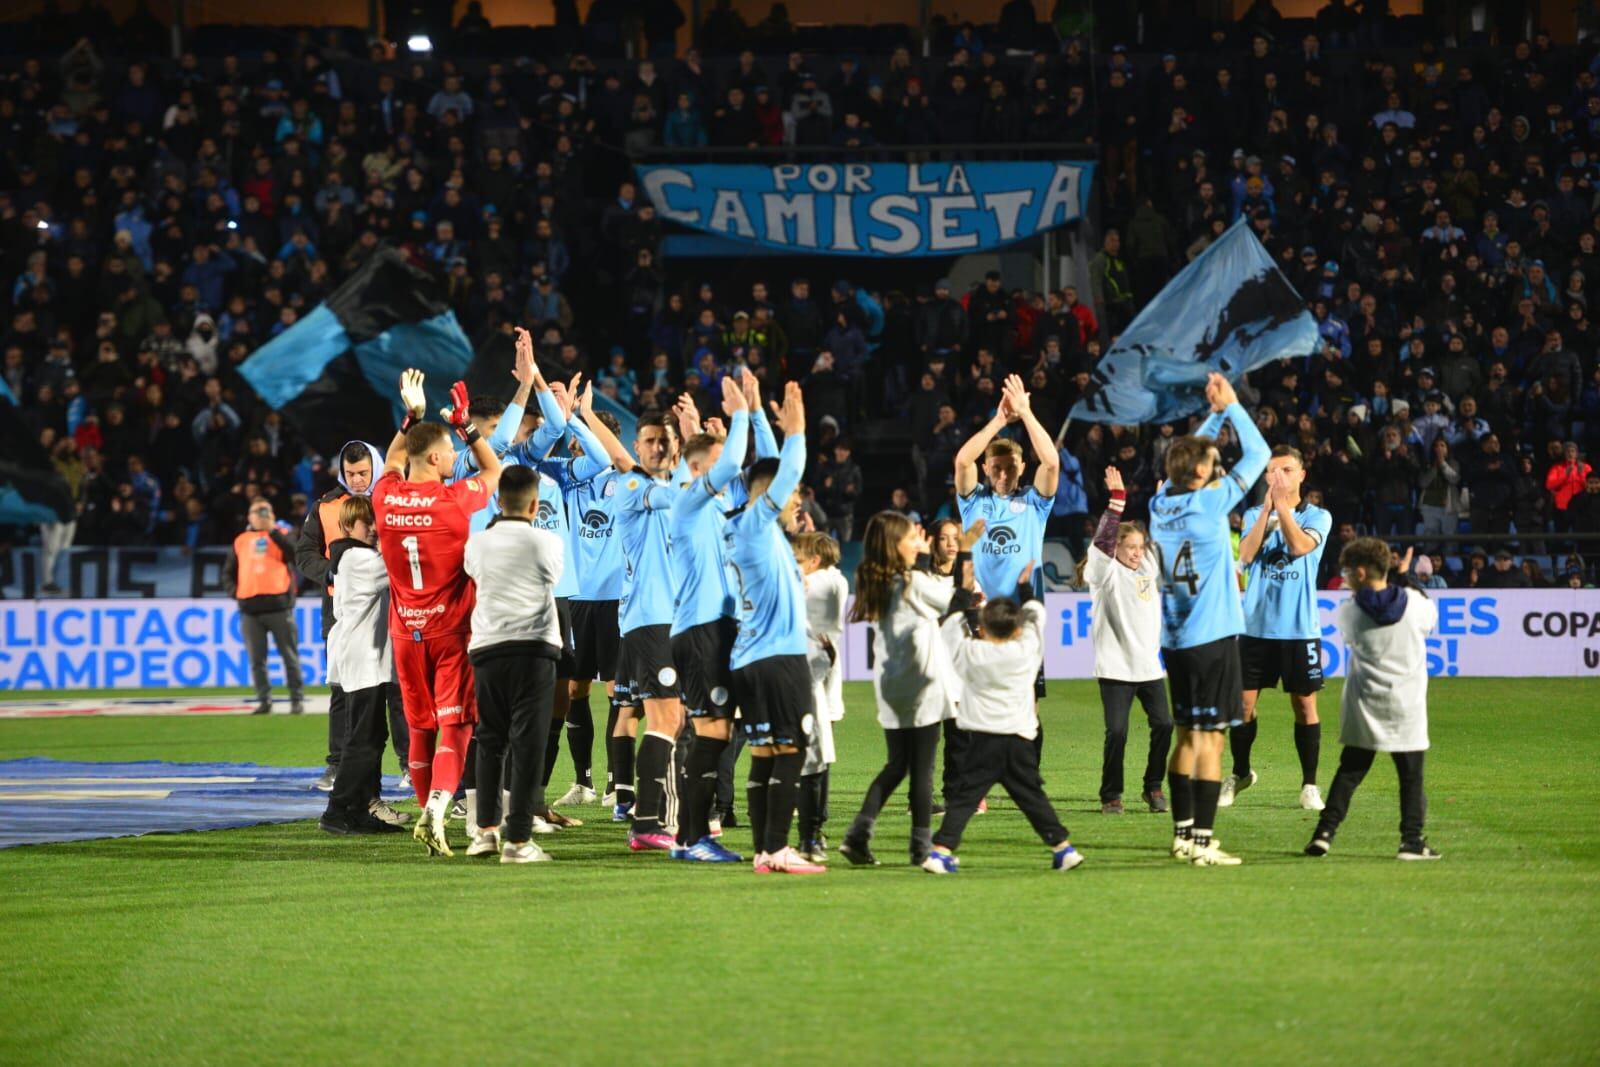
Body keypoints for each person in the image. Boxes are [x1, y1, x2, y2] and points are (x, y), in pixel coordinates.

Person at [373, 370, 502, 857]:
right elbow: (492, 474)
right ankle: (437, 810)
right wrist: (468, 428)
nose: (455, 457)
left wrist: (411, 417)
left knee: (421, 728)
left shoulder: (385, 498)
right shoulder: (453, 502)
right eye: (450, 451)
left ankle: (431, 817)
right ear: (434, 458)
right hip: (451, 629)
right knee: (457, 725)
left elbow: (390, 458)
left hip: (406, 633)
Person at [1148, 373, 1268, 866]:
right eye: (1211, 462)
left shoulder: (1159, 504)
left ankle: (1180, 835)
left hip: (1175, 640)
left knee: (1185, 736)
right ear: (1200, 472)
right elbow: (1257, 453)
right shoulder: (1210, 501)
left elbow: (1190, 455)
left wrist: (1213, 412)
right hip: (1213, 638)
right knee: (1211, 739)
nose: (1216, 465)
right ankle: (1202, 843)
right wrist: (1235, 406)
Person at [924, 567, 1084, 874]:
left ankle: (941, 851)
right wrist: (1024, 588)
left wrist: (963, 591)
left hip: (982, 741)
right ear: (1017, 629)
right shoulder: (1028, 649)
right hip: (1018, 741)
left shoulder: (971, 652)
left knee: (964, 799)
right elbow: (1038, 616)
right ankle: (1062, 849)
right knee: (1032, 797)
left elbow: (949, 625)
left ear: (982, 628)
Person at [723, 381, 821, 874]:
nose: (795, 499)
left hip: (748, 657)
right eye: (792, 493)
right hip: (778, 658)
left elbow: (764, 474)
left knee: (763, 752)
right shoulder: (760, 524)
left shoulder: (739, 524)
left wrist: (760, 417)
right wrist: (796, 428)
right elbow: (789, 469)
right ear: (770, 494)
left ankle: (764, 850)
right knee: (791, 749)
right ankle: (779, 848)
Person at [1306, 539, 1441, 861]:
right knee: (1411, 777)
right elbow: (1427, 618)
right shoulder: (1416, 604)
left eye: (1348, 572)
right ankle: (1411, 841)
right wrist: (1406, 578)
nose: (1345, 578)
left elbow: (1355, 630)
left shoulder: (1349, 612)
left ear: (1362, 573)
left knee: (1350, 771)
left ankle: (1324, 833)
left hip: (1365, 705)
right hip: (1406, 705)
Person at [839, 511, 958, 868]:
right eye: (912, 538)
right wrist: (925, 559)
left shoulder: (881, 579)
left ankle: (857, 835)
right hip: (920, 681)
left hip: (892, 684)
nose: (918, 543)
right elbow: (945, 597)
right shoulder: (910, 579)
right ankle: (921, 847)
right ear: (895, 545)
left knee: (897, 765)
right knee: (922, 768)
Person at [667, 374, 752, 863]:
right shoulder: (689, 499)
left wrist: (703, 429)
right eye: (714, 467)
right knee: (711, 734)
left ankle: (693, 835)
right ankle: (691, 837)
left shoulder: (714, 505)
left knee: (716, 733)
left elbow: (746, 483)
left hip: (713, 629)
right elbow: (733, 464)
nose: (726, 475)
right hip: (700, 630)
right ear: (697, 470)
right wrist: (741, 415)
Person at [462, 465, 565, 865]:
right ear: (535, 504)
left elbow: (473, 574)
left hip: (488, 650)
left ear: (498, 501)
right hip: (534, 651)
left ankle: (485, 832)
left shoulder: (477, 543)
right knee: (527, 746)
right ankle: (518, 840)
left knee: (489, 741)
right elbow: (553, 578)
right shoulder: (547, 542)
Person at [1225, 445, 1334, 812]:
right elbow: (1246, 555)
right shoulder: (1255, 512)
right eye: (1272, 471)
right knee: (1242, 705)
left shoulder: (1319, 516)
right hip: (1255, 627)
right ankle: (1240, 773)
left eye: (1286, 470)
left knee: (1304, 706)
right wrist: (1268, 511)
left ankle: (1309, 785)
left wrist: (1283, 510)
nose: (1278, 478)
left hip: (1299, 628)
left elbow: (1300, 546)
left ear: (1302, 474)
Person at [297, 440, 405, 793]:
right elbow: (304, 554)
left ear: (375, 466)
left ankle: (408, 765)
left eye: (362, 473)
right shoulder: (327, 506)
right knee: (342, 690)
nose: (357, 480)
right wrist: (334, 572)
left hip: (394, 605)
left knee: (397, 690)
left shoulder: (394, 498)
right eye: (349, 474)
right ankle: (336, 765)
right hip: (342, 610)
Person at [954, 373, 1059, 714]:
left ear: (1022, 468)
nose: (1003, 475)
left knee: (1028, 698)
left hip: (1024, 610)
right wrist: (999, 420)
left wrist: (1026, 413)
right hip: (979, 609)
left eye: (1010, 468)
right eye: (996, 468)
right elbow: (961, 461)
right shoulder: (973, 501)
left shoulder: (1034, 503)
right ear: (986, 469)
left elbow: (1052, 463)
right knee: (979, 696)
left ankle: (1026, 763)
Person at [614, 408, 686, 850]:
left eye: (666, 441)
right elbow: (683, 494)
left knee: (679, 720)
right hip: (650, 618)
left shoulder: (669, 489)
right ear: (638, 447)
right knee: (664, 718)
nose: (658, 447)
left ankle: (662, 817)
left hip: (677, 620)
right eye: (651, 441)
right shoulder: (633, 486)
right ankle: (645, 821)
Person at [1083, 467, 1171, 816]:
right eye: (1129, 546)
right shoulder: (1105, 573)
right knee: (1117, 732)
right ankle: (1111, 795)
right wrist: (1116, 503)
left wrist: (1163, 506)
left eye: (1139, 546)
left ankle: (1153, 787)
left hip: (1149, 666)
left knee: (1164, 725)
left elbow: (1164, 538)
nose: (1136, 552)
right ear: (1116, 547)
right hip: (1116, 668)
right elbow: (1101, 544)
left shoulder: (1148, 564)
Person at [318, 495, 404, 836]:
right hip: (362, 656)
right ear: (347, 526)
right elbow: (400, 567)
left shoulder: (355, 556)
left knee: (371, 736)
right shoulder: (356, 557)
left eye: (375, 521)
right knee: (362, 739)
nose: (372, 528)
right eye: (365, 523)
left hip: (366, 655)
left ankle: (358, 808)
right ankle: (337, 810)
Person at [224, 497, 305, 717]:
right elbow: (228, 571)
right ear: (249, 516)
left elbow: (296, 556)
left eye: (265, 512)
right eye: (256, 512)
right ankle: (264, 700)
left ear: (272, 515)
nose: (260, 516)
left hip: (279, 607)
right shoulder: (241, 540)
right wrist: (236, 593)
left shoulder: (282, 535)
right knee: (256, 661)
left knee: (290, 656)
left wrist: (273, 531)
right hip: (250, 609)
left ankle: (296, 700)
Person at [794, 530, 846, 864]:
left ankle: (810, 835)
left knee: (813, 758)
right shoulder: (818, 583)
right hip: (796, 678)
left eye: (799, 561)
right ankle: (804, 835)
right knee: (806, 758)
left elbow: (830, 581)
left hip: (807, 679)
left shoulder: (827, 583)